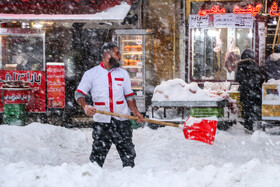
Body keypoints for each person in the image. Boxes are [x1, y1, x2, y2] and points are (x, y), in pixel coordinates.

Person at [75, 42, 143, 168]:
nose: (119, 56)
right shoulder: (91, 74)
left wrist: (135, 111)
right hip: (102, 122)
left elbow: (129, 96)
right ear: (107, 54)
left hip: (122, 121)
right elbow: (79, 94)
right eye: (117, 53)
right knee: (96, 159)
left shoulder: (123, 74)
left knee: (128, 156)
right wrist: (85, 106)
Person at [235, 49, 265, 133]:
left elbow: (238, 79)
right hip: (254, 92)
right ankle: (255, 125)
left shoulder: (240, 66)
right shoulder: (254, 65)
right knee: (253, 109)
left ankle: (248, 127)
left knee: (246, 109)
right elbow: (258, 78)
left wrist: (246, 84)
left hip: (245, 92)